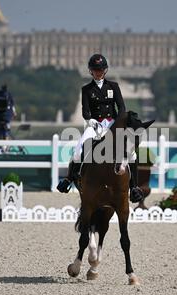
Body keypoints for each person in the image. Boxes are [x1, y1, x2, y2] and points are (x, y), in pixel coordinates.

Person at [57, 54, 144, 203]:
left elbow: (121, 107)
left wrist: (118, 123)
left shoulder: (113, 86)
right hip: (95, 124)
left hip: (112, 124)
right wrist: (90, 121)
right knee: (78, 151)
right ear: (91, 71)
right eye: (95, 70)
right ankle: (69, 179)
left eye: (101, 69)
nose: (98, 72)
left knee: (132, 154)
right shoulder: (86, 89)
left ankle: (134, 187)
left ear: (105, 70)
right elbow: (85, 111)